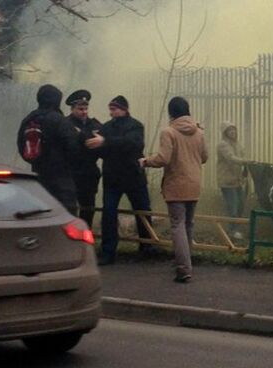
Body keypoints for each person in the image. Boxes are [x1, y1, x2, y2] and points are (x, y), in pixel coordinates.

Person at [140, 97, 208, 283]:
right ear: (188, 111)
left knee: (177, 225)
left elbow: (163, 158)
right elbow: (204, 157)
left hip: (176, 184)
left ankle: (183, 268)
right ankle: (186, 261)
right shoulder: (199, 133)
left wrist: (146, 161)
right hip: (194, 184)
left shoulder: (168, 132)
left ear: (171, 113)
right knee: (188, 224)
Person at [86, 95, 158, 265]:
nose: (112, 112)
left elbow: (133, 144)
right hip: (113, 178)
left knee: (143, 212)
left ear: (125, 109)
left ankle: (147, 247)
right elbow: (102, 150)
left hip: (133, 177)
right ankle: (108, 251)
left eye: (115, 108)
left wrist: (106, 142)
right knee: (109, 213)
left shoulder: (135, 126)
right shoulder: (106, 128)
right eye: (110, 109)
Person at [17, 84, 79, 214]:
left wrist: (36, 161)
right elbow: (73, 147)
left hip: (37, 175)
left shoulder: (29, 119)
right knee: (66, 216)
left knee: (41, 213)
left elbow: (21, 145)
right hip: (61, 178)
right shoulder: (60, 120)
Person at [65, 89, 103, 229]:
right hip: (71, 172)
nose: (84, 112)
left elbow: (96, 144)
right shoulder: (65, 124)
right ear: (72, 109)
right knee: (69, 208)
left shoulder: (95, 124)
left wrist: (82, 134)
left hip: (89, 174)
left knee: (88, 209)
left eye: (86, 108)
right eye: (80, 109)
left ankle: (86, 236)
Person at [217, 120, 247, 239]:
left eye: (234, 129)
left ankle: (236, 228)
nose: (233, 132)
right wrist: (245, 161)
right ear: (225, 132)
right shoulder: (222, 145)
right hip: (227, 182)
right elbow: (231, 158)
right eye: (230, 130)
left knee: (240, 205)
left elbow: (243, 156)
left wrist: (246, 165)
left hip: (238, 181)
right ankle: (232, 231)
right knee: (233, 206)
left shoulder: (238, 144)